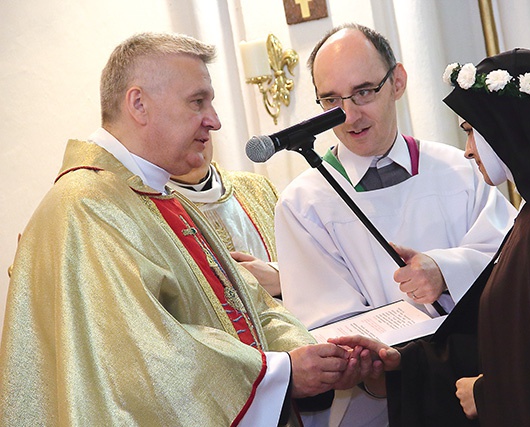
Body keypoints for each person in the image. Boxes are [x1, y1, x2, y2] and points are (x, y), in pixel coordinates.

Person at [0, 32, 366, 427]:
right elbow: (145, 361)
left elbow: (249, 305)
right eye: (197, 101)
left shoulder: (157, 195)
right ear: (138, 104)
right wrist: (283, 372)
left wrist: (314, 354)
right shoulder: (87, 208)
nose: (215, 120)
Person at [332, 48, 530, 426]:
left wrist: (487, 394)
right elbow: (519, 338)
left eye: (471, 131)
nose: (467, 151)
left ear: (508, 127)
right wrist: (407, 363)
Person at [275, 23, 516, 426]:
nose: (349, 115)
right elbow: (323, 320)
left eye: (364, 92)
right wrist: (372, 360)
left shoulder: (462, 170)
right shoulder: (303, 204)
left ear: (397, 81)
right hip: (378, 407)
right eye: (331, 99)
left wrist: (444, 269)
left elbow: (512, 260)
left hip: (478, 378)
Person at [169, 139, 281, 297]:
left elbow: (312, 264)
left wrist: (280, 278)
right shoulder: (145, 209)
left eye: (202, 133)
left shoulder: (258, 188)